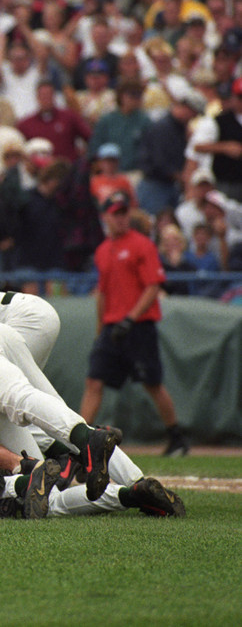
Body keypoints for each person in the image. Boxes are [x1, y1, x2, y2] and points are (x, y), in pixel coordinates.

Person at [81, 191, 190, 457]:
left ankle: (176, 437)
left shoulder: (142, 244)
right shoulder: (103, 251)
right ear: (106, 216)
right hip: (111, 326)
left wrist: (130, 318)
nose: (120, 218)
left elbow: (153, 286)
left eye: (124, 212)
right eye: (115, 213)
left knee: (153, 383)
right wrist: (100, 331)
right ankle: (79, 441)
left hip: (139, 325)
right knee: (94, 382)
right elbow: (103, 293)